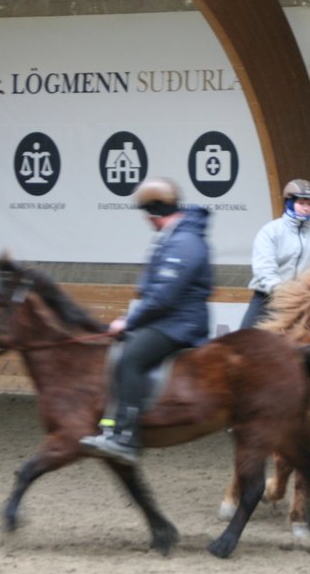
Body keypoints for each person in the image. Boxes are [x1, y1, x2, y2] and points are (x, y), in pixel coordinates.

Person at [79, 177, 212, 466]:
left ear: (155, 209)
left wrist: (129, 321)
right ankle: (112, 426)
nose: (146, 219)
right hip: (169, 318)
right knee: (120, 349)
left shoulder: (185, 241)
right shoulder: (173, 237)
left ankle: (126, 438)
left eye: (147, 212)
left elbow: (163, 296)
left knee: (131, 357)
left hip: (181, 323)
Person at [239, 178, 310, 329]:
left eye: (309, 204)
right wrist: (283, 294)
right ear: (289, 203)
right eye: (301, 203)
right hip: (267, 299)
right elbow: (264, 269)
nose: (306, 208)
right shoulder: (271, 231)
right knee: (244, 338)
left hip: (304, 303)